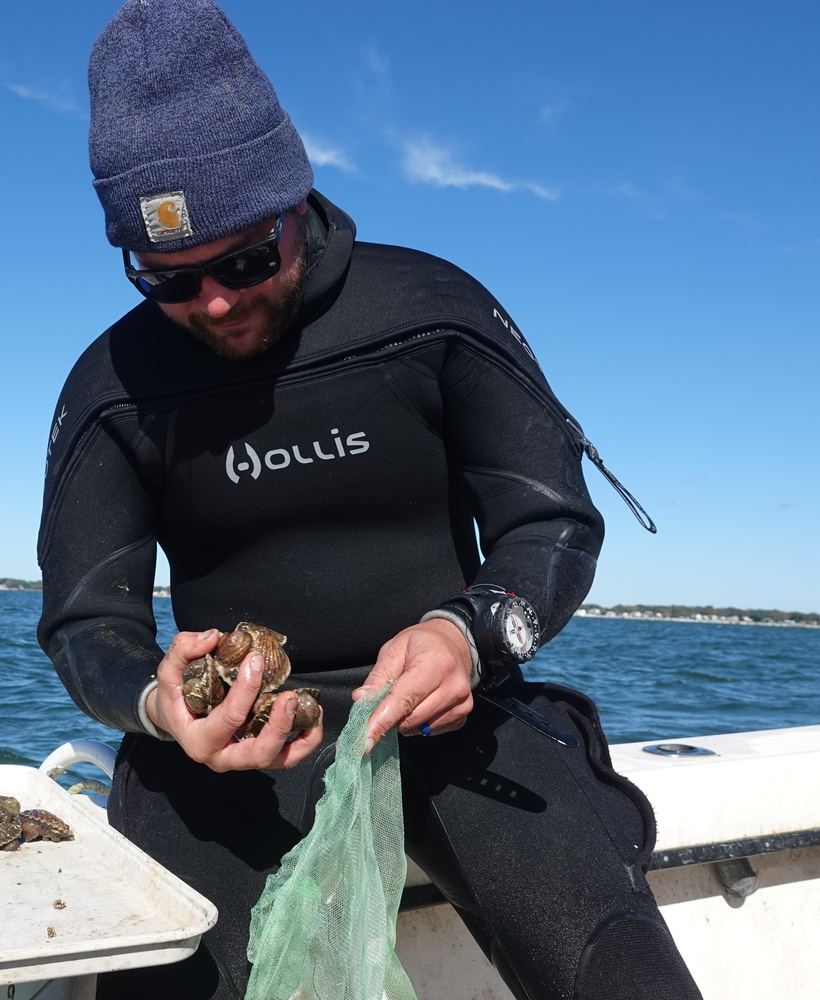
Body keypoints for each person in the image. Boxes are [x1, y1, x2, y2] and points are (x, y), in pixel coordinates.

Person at [37, 2, 703, 998]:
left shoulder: (427, 312)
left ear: (294, 200)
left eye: (246, 259)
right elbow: (89, 621)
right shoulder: (114, 385)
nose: (215, 301)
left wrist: (466, 633)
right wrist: (160, 702)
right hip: (228, 752)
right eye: (168, 279)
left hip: (451, 718)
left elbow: (550, 523)